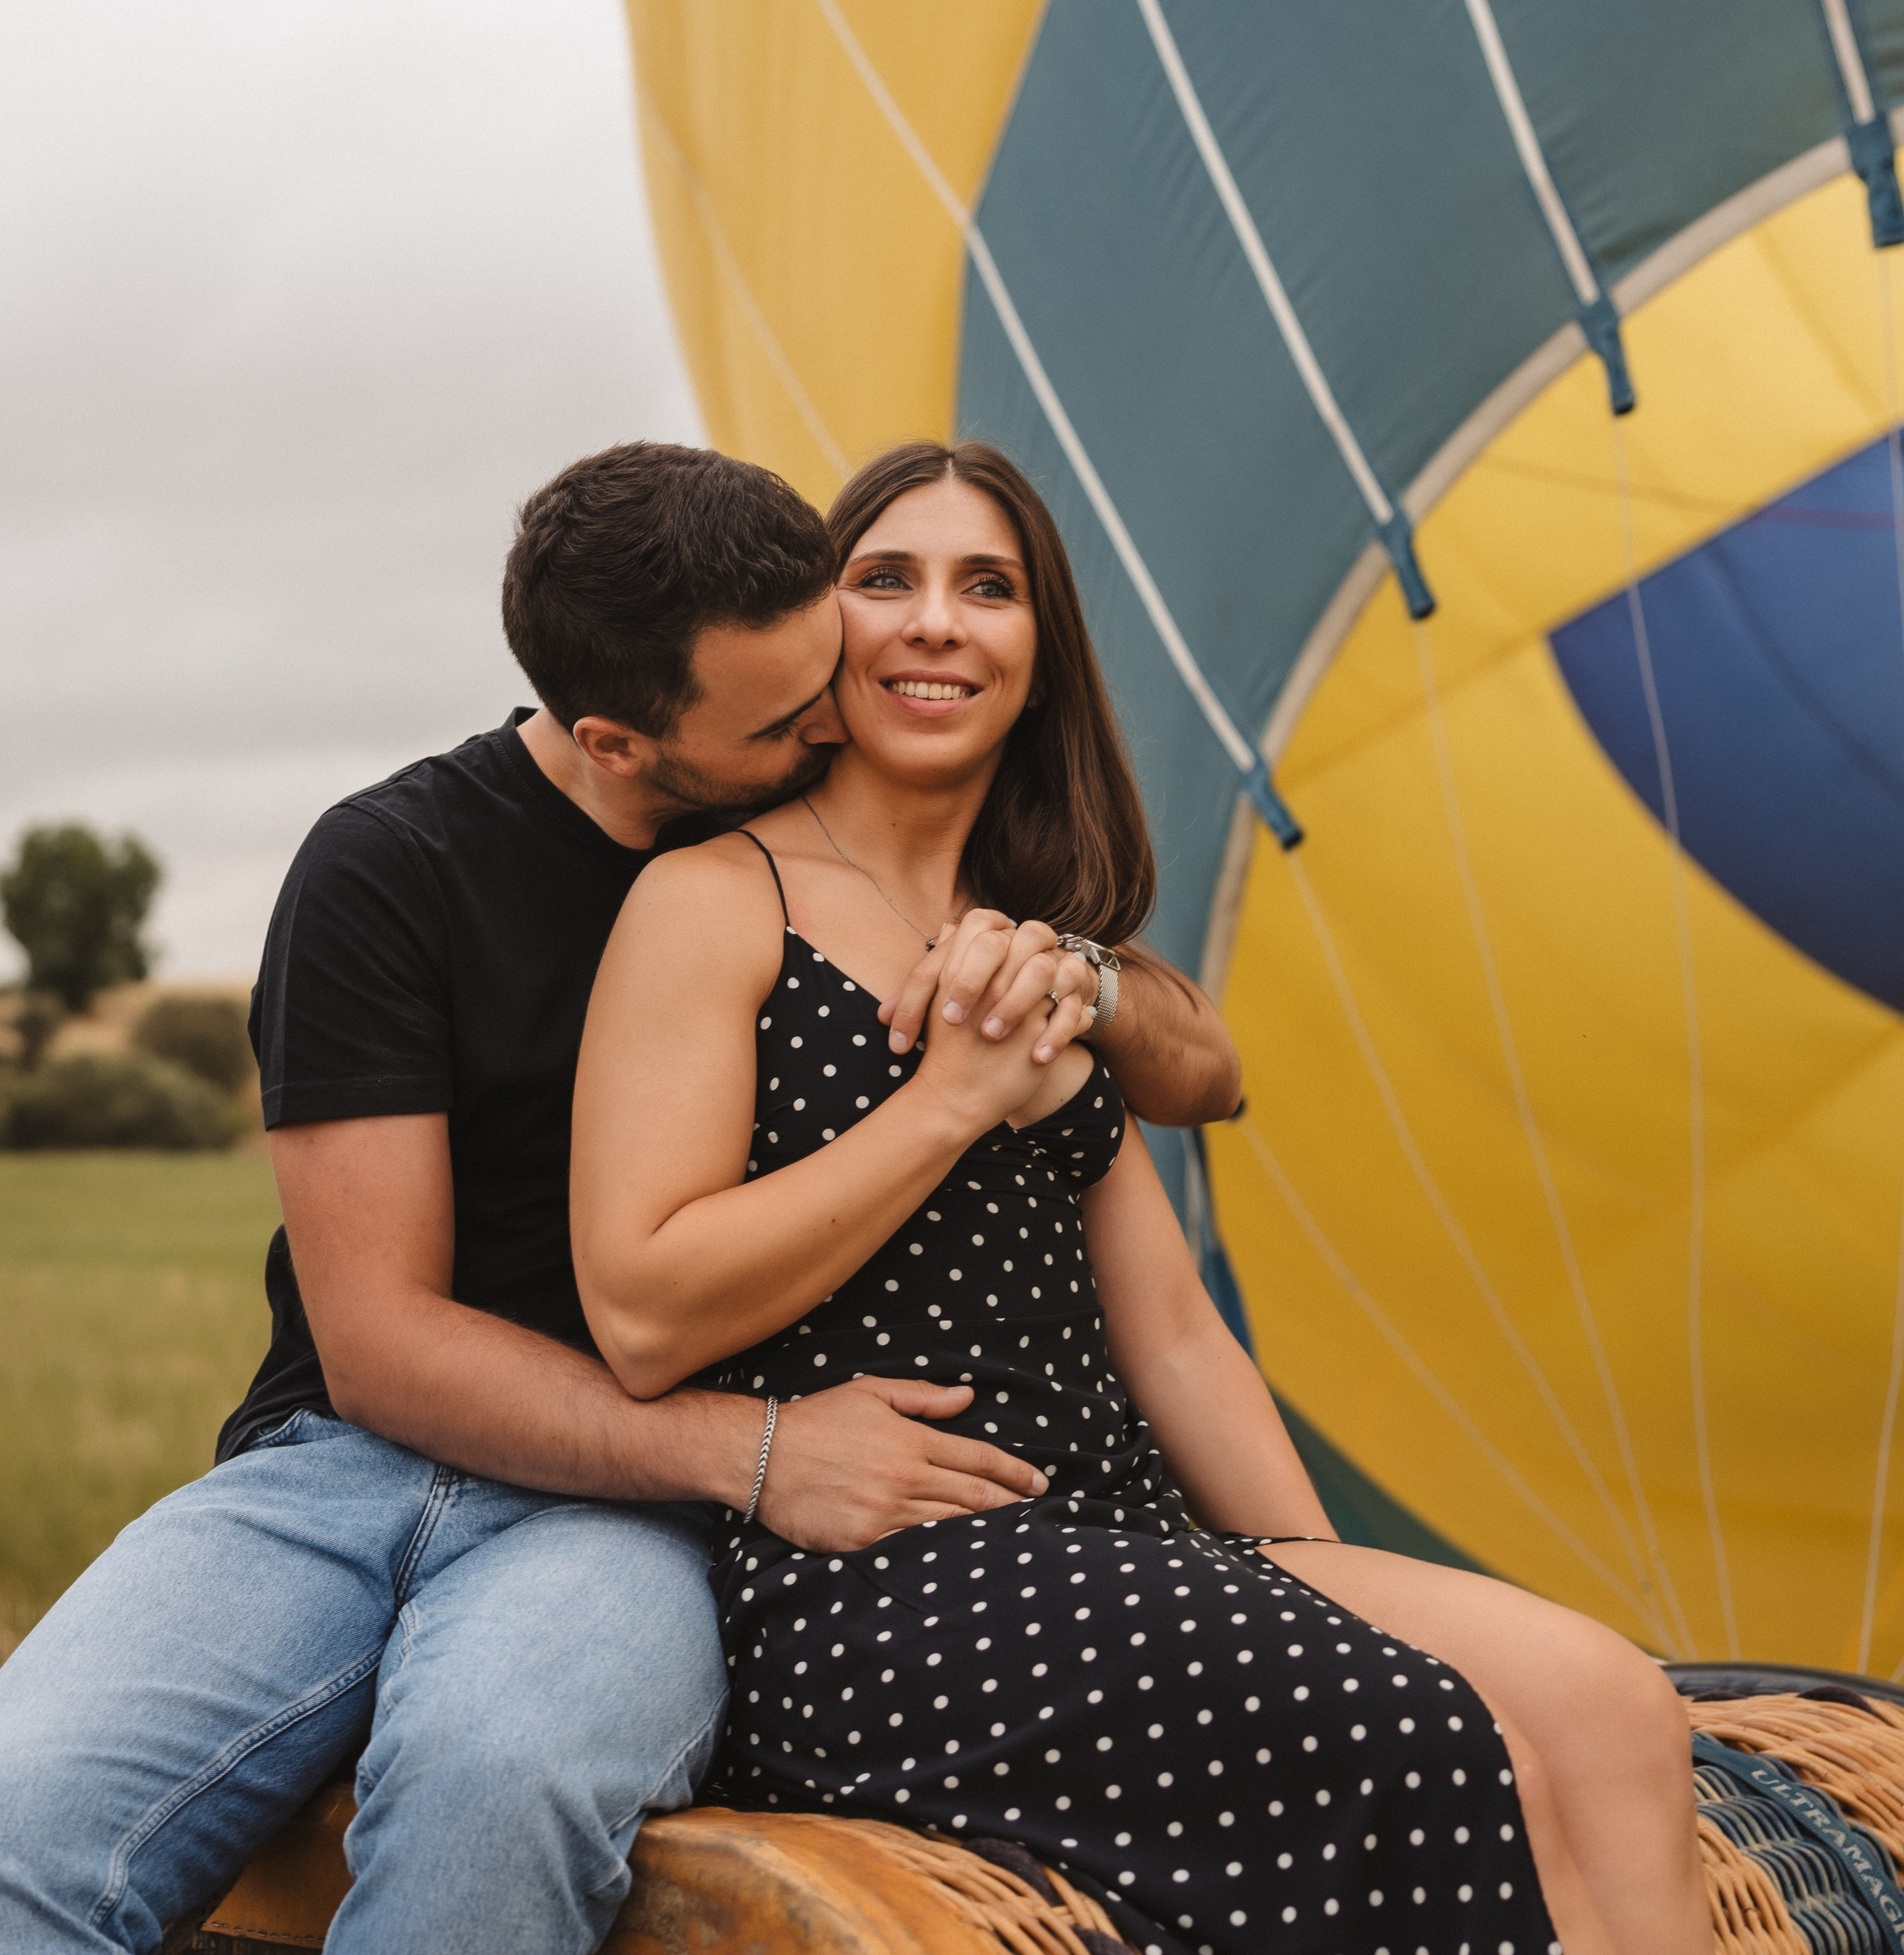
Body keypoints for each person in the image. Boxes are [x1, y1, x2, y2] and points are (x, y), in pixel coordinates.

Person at [0, 438, 1249, 1955]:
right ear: (616, 738)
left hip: (634, 1527)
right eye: (787, 718)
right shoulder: (391, 868)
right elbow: (383, 1341)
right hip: (359, 1464)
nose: (831, 721)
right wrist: (758, 1447)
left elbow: (1193, 1066)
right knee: (25, 1810)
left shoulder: (882, 872)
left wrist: (1082, 974)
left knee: (499, 1786)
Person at [571, 439, 1712, 1955]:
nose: (933, 621)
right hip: (874, 1573)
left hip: (1122, 1534)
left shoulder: (1048, 949)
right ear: (814, 640)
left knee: (1613, 1706)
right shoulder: (717, 902)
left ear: (1037, 658)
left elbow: (1171, 1333)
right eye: (883, 580)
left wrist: (1315, 1573)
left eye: (987, 586)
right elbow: (642, 1310)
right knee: (1420, 1736)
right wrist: (948, 1104)